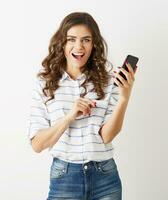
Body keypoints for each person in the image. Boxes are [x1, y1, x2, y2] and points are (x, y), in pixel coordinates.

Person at [27, 12, 138, 200]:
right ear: (62, 43)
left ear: (93, 44)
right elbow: (38, 145)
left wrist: (124, 98)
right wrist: (69, 117)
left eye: (86, 40)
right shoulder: (45, 83)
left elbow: (107, 135)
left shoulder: (107, 80)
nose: (79, 47)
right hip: (64, 178)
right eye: (72, 39)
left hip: (105, 178)